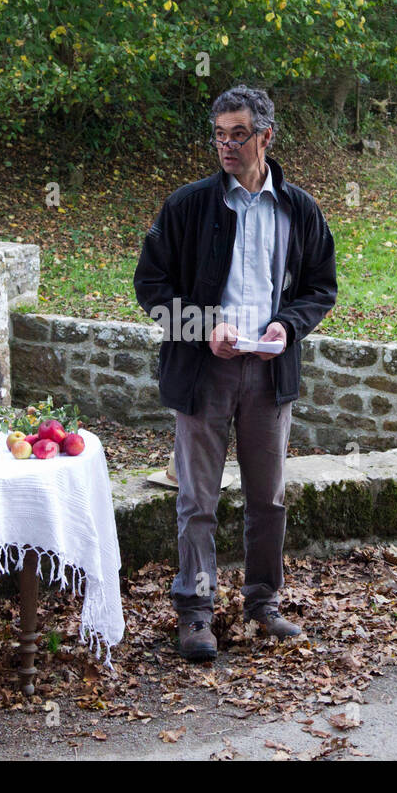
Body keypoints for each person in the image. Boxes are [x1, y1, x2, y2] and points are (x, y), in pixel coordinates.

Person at [133, 85, 337, 662]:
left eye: (239, 134)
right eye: (219, 134)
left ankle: (262, 603)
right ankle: (196, 613)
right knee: (197, 499)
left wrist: (289, 327)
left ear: (266, 137)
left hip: (270, 375)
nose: (227, 145)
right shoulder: (187, 205)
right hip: (203, 374)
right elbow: (150, 287)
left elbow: (322, 287)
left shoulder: (298, 207)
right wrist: (204, 326)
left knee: (267, 498)